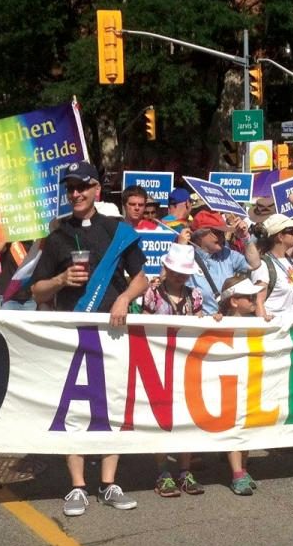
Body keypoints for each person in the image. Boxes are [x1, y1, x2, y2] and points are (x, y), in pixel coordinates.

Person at [30, 160, 148, 516]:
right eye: (71, 189)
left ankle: (109, 482)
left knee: (112, 404)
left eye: (82, 186)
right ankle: (77, 486)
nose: (76, 194)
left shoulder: (117, 230)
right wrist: (61, 281)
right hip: (72, 330)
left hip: (112, 330)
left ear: (97, 189)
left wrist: (126, 298)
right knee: (75, 409)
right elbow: (37, 290)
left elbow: (140, 277)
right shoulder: (57, 235)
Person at [142, 243, 206, 497]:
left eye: (184, 271)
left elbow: (200, 325)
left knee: (185, 417)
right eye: (176, 270)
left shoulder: (196, 295)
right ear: (166, 268)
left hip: (186, 362)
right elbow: (144, 324)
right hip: (158, 361)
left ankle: (184, 470)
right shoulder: (152, 294)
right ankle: (163, 472)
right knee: (162, 417)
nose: (180, 276)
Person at [214, 274, 266, 495]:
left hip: (251, 379)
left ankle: (243, 469)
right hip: (228, 382)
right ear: (234, 301)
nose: (255, 299)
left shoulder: (257, 322)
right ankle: (236, 473)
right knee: (234, 425)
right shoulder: (219, 322)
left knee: (247, 425)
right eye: (249, 296)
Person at [182, 209, 260, 316]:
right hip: (200, 326)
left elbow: (254, 264)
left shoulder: (227, 254)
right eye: (217, 232)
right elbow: (167, 279)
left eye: (223, 232)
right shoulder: (185, 256)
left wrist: (245, 237)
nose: (222, 237)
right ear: (200, 235)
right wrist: (180, 248)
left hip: (226, 323)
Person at [251, 213, 293, 315]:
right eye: (291, 231)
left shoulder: (291, 261)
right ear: (280, 237)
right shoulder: (263, 266)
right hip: (276, 327)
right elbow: (258, 302)